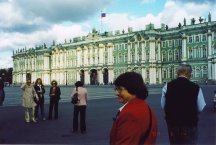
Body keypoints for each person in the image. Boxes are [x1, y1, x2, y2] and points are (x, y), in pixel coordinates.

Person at [161, 64, 206, 145]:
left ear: (177, 73)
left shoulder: (167, 86)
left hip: (173, 124)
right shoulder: (196, 87)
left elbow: (163, 105)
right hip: (190, 124)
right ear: (189, 74)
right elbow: (201, 107)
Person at [110, 72, 158, 145]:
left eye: (120, 89)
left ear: (132, 88)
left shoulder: (129, 115)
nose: (116, 93)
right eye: (116, 89)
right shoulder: (144, 106)